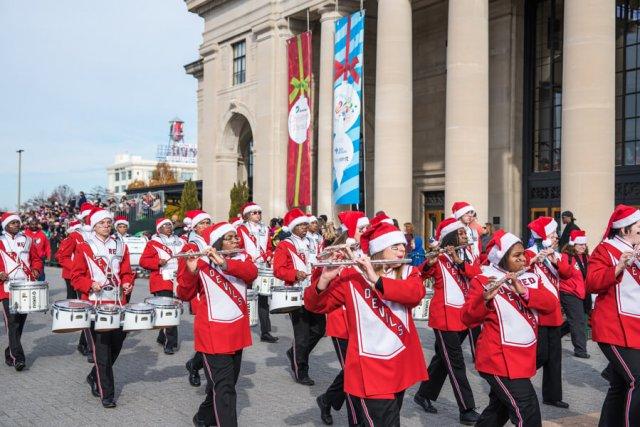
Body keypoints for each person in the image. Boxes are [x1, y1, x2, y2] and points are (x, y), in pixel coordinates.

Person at [306, 221, 428, 425]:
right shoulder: (352, 278)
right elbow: (315, 305)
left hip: (399, 362)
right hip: (369, 366)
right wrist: (325, 278)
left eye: (402, 246)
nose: (401, 251)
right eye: (395, 247)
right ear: (380, 250)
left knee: (389, 419)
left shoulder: (408, 273)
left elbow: (415, 294)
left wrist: (377, 280)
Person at [462, 230, 557, 426]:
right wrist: (484, 299)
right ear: (502, 258)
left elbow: (551, 304)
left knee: (497, 412)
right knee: (527, 409)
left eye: (523, 254)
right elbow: (468, 318)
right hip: (497, 358)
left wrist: (523, 290)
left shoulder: (530, 277)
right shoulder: (483, 280)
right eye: (516, 256)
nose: (523, 259)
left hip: (522, 355)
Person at [176, 221, 258, 427]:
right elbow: (184, 294)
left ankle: (203, 417)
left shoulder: (242, 258)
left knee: (224, 385)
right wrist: (190, 270)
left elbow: (251, 274)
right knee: (225, 389)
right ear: (218, 242)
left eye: (235, 237)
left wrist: (224, 263)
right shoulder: (202, 263)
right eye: (229, 238)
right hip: (212, 332)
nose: (235, 240)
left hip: (237, 330)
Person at [413, 217, 481, 425]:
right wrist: (429, 262)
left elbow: (476, 275)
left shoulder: (462, 256)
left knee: (443, 360)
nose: (465, 236)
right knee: (456, 363)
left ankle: (423, 394)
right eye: (460, 233)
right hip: (444, 319)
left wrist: (460, 262)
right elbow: (420, 274)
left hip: (462, 317)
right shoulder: (439, 259)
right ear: (451, 237)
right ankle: (466, 409)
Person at [71, 208, 134, 408]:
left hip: (117, 302)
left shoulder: (120, 245)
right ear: (94, 226)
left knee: (117, 344)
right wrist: (90, 284)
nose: (106, 225)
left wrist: (126, 282)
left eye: (108, 222)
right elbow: (76, 276)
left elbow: (126, 271)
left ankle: (93, 376)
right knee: (102, 349)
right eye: (102, 223)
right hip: (94, 303)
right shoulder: (85, 246)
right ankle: (107, 393)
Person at [586, 204, 640, 427]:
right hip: (613, 327)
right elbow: (592, 282)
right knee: (637, 380)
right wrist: (618, 267)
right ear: (624, 229)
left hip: (634, 326)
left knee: (619, 385)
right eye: (639, 226)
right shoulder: (605, 249)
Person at [315, 211, 368, 426]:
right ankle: (357, 418)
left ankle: (327, 400)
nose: (366, 232)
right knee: (353, 372)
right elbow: (320, 280)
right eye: (362, 228)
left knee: (356, 369)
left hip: (361, 319)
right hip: (341, 318)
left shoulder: (367, 249)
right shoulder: (336, 251)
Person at [273, 208, 323, 385]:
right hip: (296, 293)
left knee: (319, 329)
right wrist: (294, 274)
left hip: (314, 291)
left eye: (305, 224)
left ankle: (295, 352)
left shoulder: (312, 242)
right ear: (293, 227)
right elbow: (278, 270)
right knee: (301, 335)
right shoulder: (285, 245)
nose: (304, 227)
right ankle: (301, 370)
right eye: (300, 225)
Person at [525, 216, 568, 408]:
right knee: (541, 354)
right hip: (538, 310)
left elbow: (569, 273)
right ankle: (519, 379)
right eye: (552, 234)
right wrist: (535, 259)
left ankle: (552, 396)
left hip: (555, 312)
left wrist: (553, 259)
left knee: (555, 358)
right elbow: (522, 269)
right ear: (542, 237)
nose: (556, 236)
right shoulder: (528, 253)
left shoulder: (557, 255)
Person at [0, 212, 43, 371]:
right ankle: (19, 358)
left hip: (25, 286)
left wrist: (36, 270)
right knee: (12, 323)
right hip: (7, 288)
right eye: (12, 223)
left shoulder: (27, 240)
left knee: (19, 323)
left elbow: (36, 259)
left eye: (17, 223)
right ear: (6, 226)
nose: (16, 225)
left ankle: (9, 352)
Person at [139, 218, 185, 355]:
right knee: (169, 311)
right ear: (159, 229)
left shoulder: (182, 241)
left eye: (170, 225)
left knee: (174, 310)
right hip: (162, 280)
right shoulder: (153, 243)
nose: (169, 227)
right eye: (165, 225)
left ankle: (161, 336)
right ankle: (170, 343)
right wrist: (157, 261)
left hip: (178, 279)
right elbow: (143, 261)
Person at [235, 202, 278, 343]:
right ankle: (240, 328)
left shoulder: (265, 229)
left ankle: (265, 331)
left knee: (263, 299)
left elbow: (269, 246)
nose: (258, 215)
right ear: (247, 215)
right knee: (245, 297)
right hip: (248, 266)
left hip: (262, 266)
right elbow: (238, 248)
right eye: (254, 213)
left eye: (259, 212)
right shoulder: (241, 229)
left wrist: (269, 254)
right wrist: (247, 257)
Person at [181, 210, 213, 387]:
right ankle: (198, 368)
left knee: (212, 335)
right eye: (202, 223)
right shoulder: (190, 246)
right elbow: (184, 275)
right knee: (207, 335)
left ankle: (194, 364)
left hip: (216, 293)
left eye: (208, 222)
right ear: (195, 227)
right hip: (200, 294)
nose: (206, 226)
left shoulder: (216, 241)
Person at [558, 230, 590, 359]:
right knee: (578, 321)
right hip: (569, 292)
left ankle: (553, 335)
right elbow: (564, 273)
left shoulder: (587, 257)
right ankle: (580, 350)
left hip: (583, 293)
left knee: (574, 320)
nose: (583, 246)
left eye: (584, 244)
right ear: (573, 245)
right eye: (580, 244)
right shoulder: (566, 257)